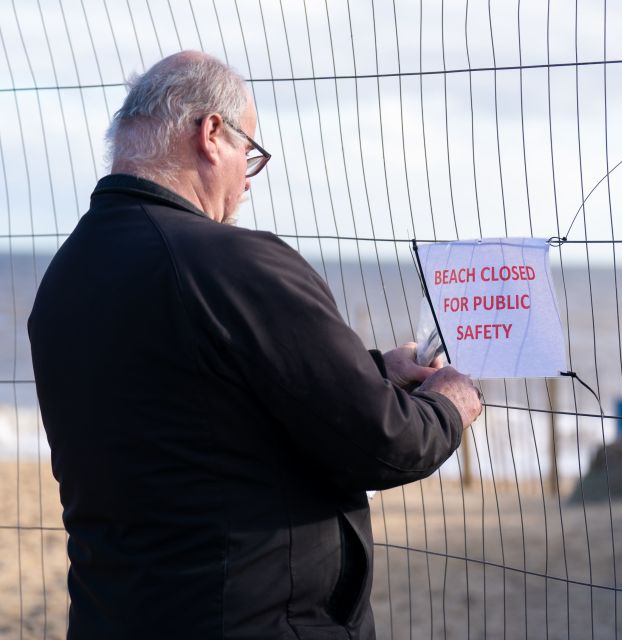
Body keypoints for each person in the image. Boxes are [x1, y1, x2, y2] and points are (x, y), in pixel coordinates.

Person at [28, 50, 482, 639]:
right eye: (251, 152)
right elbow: (383, 443)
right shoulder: (235, 263)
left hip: (115, 614)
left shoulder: (66, 276)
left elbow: (192, 398)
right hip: (252, 619)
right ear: (211, 132)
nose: (247, 178)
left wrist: (374, 368)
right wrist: (448, 405)